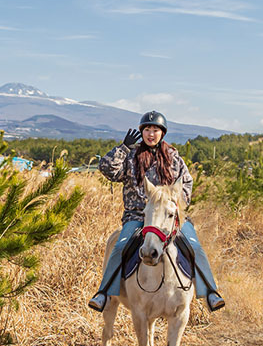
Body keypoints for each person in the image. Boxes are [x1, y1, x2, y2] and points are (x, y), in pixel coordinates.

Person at [88, 110, 225, 313]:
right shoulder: (131, 156)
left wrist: (175, 204)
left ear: (162, 133)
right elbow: (107, 169)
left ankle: (210, 292)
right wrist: (123, 148)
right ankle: (104, 292)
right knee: (120, 248)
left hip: (169, 217)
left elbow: (186, 182)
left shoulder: (173, 157)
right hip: (137, 216)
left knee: (194, 246)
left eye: (155, 130)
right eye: (147, 130)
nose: (151, 134)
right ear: (142, 132)